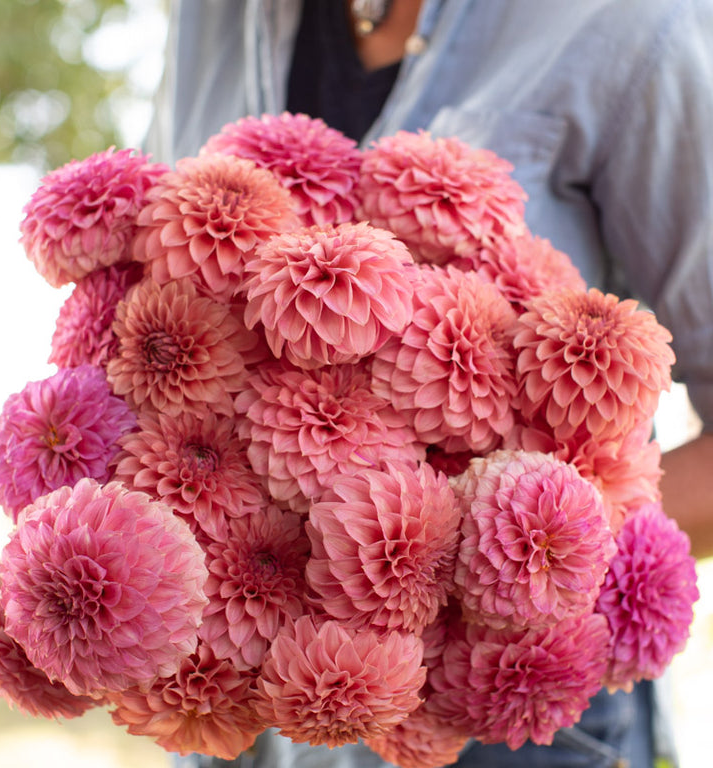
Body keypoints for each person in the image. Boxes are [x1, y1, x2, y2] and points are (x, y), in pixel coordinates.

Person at [147, 1, 713, 766]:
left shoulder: (632, 23)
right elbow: (147, 281)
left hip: (500, 717)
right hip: (233, 719)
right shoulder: (210, 17)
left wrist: (508, 560)